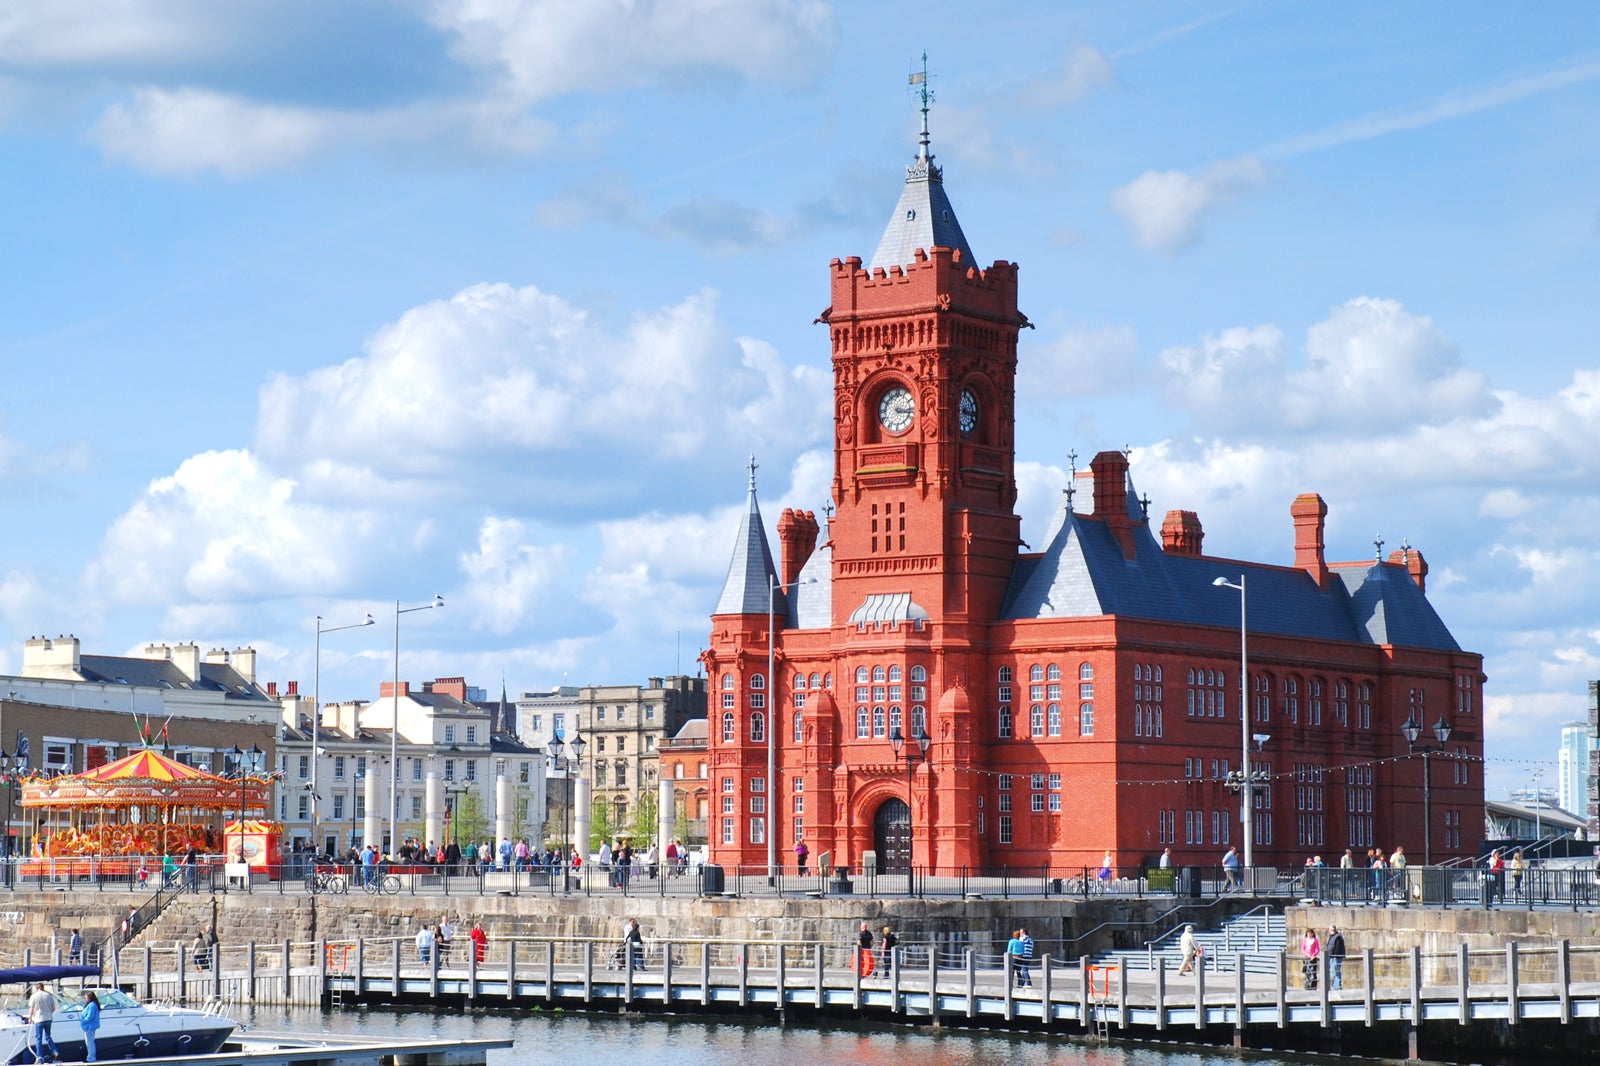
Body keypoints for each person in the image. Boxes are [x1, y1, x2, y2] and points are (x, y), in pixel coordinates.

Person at [28, 981, 58, 1062]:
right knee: (48, 1036)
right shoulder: (49, 995)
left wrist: (30, 1018)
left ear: (36, 988)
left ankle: (39, 1056)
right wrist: (49, 1013)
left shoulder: (33, 996)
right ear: (43, 987)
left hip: (38, 1019)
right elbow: (53, 1008)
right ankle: (55, 1051)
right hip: (48, 1018)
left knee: (39, 1038)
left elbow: (31, 1009)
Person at [79, 990, 101, 1062]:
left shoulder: (92, 1005)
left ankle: (91, 1058)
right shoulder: (92, 1004)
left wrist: (83, 1021)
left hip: (89, 1026)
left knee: (89, 1042)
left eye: (87, 998)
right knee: (89, 1042)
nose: (86, 999)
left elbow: (90, 1016)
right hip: (89, 1026)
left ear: (90, 998)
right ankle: (90, 1057)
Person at [1326, 926, 1346, 990]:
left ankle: (1337, 987)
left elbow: (1337, 948)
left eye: (1328, 930)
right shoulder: (1332, 936)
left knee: (1336, 971)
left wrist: (1335, 956)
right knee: (1333, 972)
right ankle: (1335, 986)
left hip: (1336, 957)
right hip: (1331, 957)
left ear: (1331, 930)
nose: (1328, 931)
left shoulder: (1338, 937)